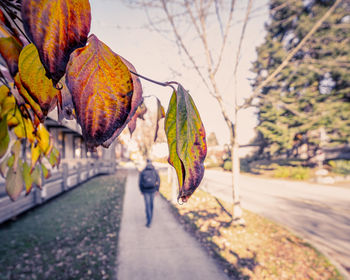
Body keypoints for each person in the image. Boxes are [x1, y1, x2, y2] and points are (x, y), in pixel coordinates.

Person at [139, 159, 160, 228]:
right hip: (153, 190)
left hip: (145, 191)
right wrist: (157, 190)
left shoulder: (143, 171)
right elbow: (158, 180)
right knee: (151, 204)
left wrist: (141, 190)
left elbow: (140, 182)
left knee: (147, 205)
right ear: (151, 163)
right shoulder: (155, 171)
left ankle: (149, 220)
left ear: (146, 163)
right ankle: (150, 217)